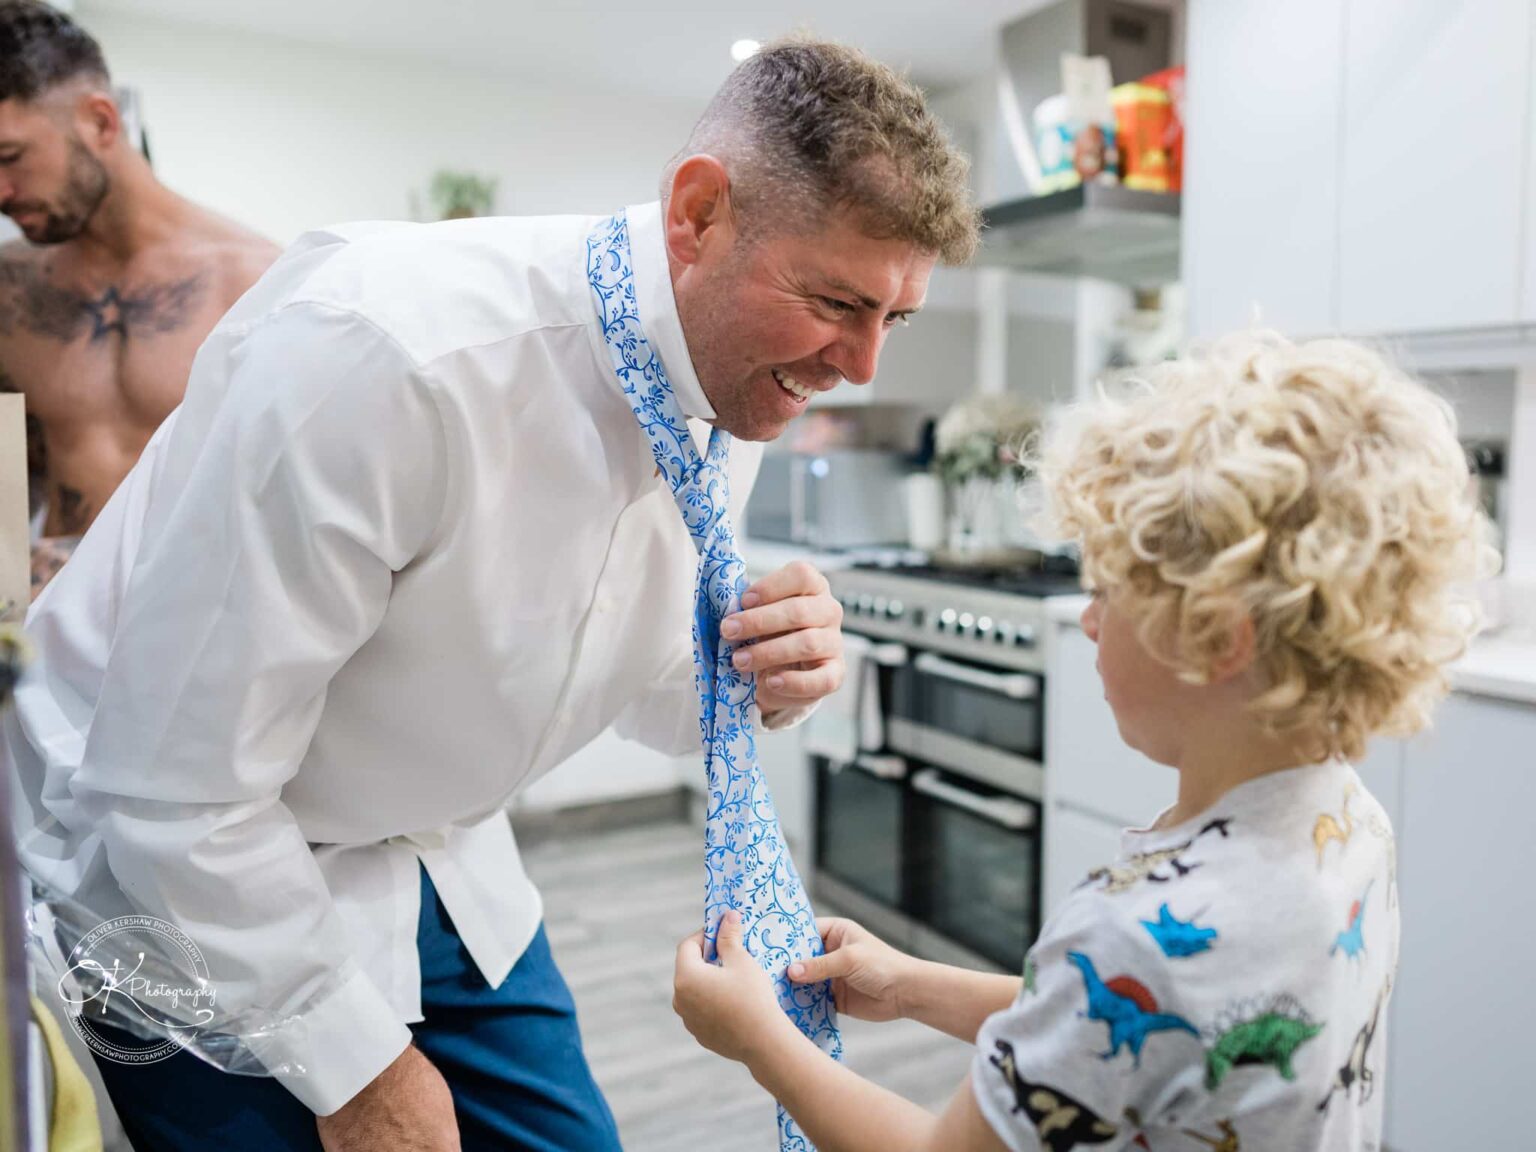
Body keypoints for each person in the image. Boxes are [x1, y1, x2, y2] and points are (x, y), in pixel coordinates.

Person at [2, 35, 981, 1152]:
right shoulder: (383, 357)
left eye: (891, 320)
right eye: (836, 302)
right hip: (177, 880)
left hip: (436, 858)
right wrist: (362, 1075)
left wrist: (750, 673)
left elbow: (611, 674)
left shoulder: (729, 377)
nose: (860, 368)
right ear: (699, 215)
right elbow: (165, 794)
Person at [674, 331, 1496, 1150]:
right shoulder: (1350, 828)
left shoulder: (1138, 924)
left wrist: (763, 1042)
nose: (1090, 619)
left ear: (1219, 636)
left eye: (1107, 587)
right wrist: (912, 986)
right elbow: (1156, 1027)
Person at [0, 0, 278, 596]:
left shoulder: (259, 284)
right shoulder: (10, 291)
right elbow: (8, 475)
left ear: (100, 123)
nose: (0, 190)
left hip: (190, 639)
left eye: (10, 157)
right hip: (41, 636)